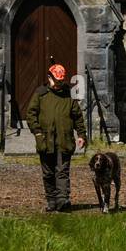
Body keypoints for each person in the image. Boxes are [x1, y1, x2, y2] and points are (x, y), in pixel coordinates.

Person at [24, 63, 86, 212]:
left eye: (60, 81)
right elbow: (30, 114)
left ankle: (63, 200)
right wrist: (37, 133)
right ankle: (51, 201)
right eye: (56, 80)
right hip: (45, 140)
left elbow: (77, 116)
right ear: (49, 78)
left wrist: (81, 135)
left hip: (64, 140)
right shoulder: (40, 94)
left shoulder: (68, 96)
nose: (58, 84)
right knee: (48, 172)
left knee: (62, 171)